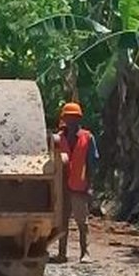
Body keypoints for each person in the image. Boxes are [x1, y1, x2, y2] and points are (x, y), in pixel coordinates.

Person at [53, 101, 99, 264]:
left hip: (79, 186)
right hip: (61, 187)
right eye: (68, 118)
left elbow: (92, 163)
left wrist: (90, 185)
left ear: (79, 119)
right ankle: (61, 253)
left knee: (82, 222)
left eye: (74, 118)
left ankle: (85, 253)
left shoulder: (87, 137)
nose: (71, 122)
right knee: (61, 221)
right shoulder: (57, 139)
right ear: (64, 119)